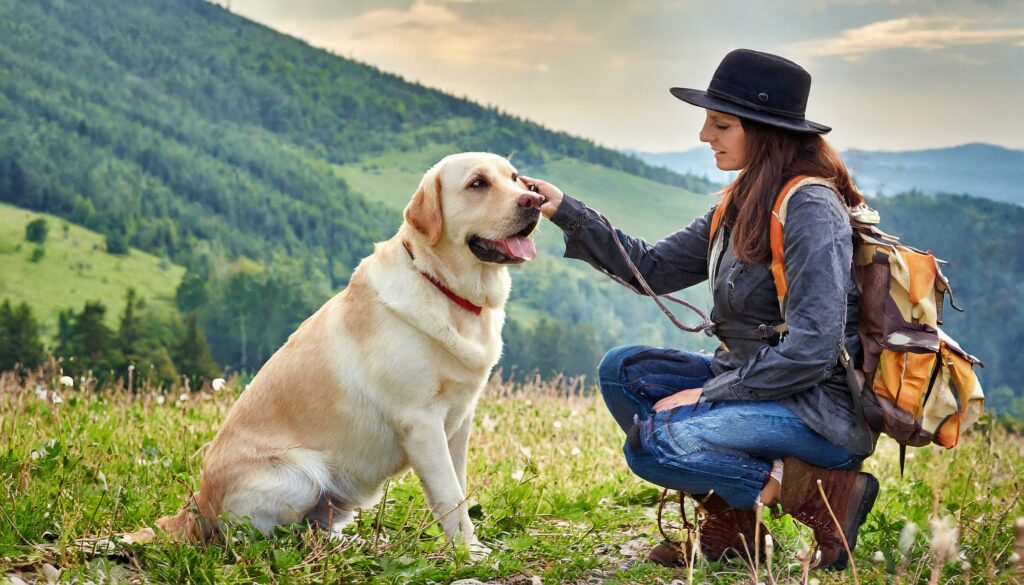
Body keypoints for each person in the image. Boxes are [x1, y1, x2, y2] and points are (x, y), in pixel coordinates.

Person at [520, 49, 878, 570]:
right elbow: (653, 268)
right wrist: (566, 212)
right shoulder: (741, 200)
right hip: (755, 382)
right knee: (623, 372)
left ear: (765, 131)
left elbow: (815, 350)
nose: (705, 136)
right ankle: (737, 525)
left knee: (653, 448)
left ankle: (819, 491)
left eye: (721, 124)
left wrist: (709, 394)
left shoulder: (811, 209)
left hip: (815, 410)